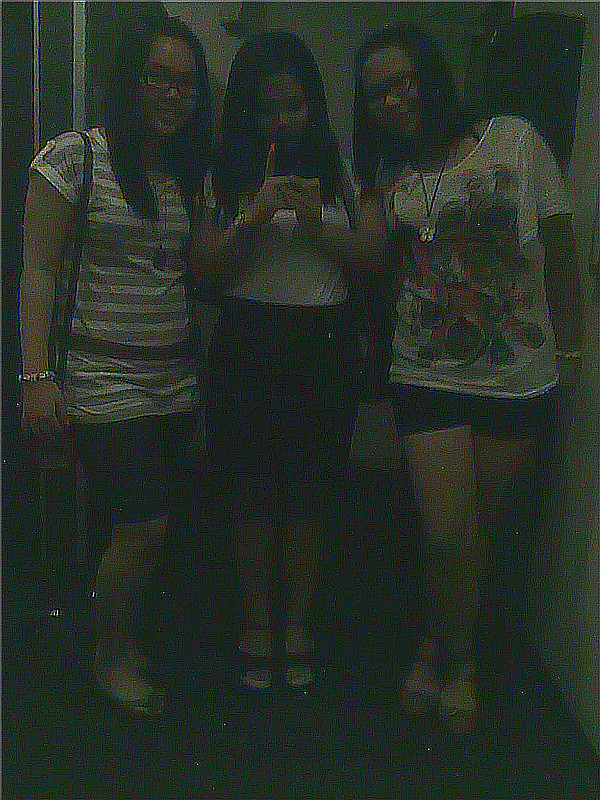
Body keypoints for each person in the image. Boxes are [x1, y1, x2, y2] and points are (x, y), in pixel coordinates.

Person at [352, 23, 583, 731]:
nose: (392, 100)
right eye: (375, 93)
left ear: (429, 76)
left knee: (480, 534)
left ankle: (445, 655)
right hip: (426, 369)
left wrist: (573, 353)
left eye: (401, 81)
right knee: (445, 533)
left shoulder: (515, 140)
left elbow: (561, 251)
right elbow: (374, 265)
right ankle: (455, 658)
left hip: (516, 372)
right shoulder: (386, 174)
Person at [20, 14, 211, 715]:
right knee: (140, 528)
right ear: (130, 80)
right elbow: (37, 271)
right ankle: (109, 656)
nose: (171, 94)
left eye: (185, 82)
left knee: (147, 529)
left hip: (175, 380)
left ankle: (122, 639)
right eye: (157, 77)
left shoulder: (185, 172)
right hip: (102, 379)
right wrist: (35, 378)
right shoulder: (77, 156)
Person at [187, 31, 365, 690]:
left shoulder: (340, 164)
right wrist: (255, 213)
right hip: (248, 337)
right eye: (267, 108)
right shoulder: (224, 170)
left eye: (295, 106)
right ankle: (259, 620)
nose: (283, 121)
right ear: (246, 111)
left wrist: (317, 224)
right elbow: (206, 272)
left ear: (313, 105)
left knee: (311, 490)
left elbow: (372, 256)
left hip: (322, 338)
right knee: (250, 490)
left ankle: (300, 621)